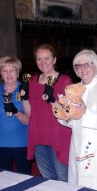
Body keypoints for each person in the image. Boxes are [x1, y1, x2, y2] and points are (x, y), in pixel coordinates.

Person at [57, 49, 97, 191]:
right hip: (79, 143)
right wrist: (62, 115)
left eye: (87, 64)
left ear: (95, 66)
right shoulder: (72, 90)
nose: (82, 68)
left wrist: (85, 110)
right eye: (78, 65)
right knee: (80, 188)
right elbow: (72, 122)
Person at [22, 44, 72, 181]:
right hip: (38, 135)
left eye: (46, 58)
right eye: (39, 59)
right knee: (47, 178)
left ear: (54, 60)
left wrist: (52, 99)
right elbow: (30, 114)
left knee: (63, 177)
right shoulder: (31, 81)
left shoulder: (64, 81)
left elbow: (67, 113)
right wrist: (25, 98)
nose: (43, 63)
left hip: (59, 135)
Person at [0, 56, 30, 174]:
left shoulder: (25, 90)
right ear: (0, 73)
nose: (8, 74)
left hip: (21, 143)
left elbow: (28, 121)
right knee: (1, 180)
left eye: (12, 70)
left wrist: (16, 112)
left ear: (18, 72)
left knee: (24, 179)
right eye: (4, 70)